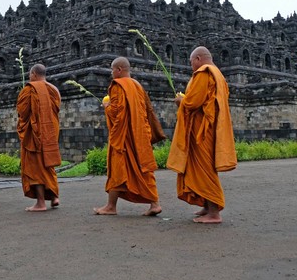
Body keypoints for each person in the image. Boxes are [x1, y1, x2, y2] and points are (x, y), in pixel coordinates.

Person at [167, 46, 237, 224]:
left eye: (191, 62)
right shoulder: (218, 75)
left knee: (205, 170)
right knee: (202, 168)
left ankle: (214, 213)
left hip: (202, 131)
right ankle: (207, 206)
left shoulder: (204, 73)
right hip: (209, 128)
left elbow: (193, 102)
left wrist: (181, 101)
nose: (191, 66)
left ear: (198, 59)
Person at [93, 57, 163, 216]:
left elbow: (118, 113)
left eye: (112, 70)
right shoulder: (138, 86)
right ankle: (155, 204)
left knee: (118, 168)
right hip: (140, 133)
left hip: (124, 136)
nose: (111, 74)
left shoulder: (118, 86)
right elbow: (148, 109)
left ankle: (111, 206)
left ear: (118, 69)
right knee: (143, 167)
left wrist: (107, 107)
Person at [17, 64, 61, 212]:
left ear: (34, 74)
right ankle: (54, 197)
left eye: (30, 74)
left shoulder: (29, 89)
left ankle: (41, 203)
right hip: (51, 132)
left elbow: (22, 113)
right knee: (48, 163)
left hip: (35, 134)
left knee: (36, 167)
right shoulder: (54, 90)